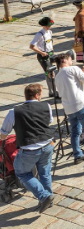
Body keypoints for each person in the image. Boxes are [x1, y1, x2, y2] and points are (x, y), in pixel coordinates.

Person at [0, 83, 54, 213]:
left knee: (22, 173)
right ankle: (48, 198)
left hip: (29, 149)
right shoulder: (46, 106)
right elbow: (49, 121)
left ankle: (44, 196)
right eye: (41, 94)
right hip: (47, 145)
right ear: (36, 95)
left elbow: (3, 133)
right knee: (45, 172)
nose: (41, 96)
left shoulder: (14, 112)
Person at [53, 52, 84, 170]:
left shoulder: (57, 76)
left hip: (69, 108)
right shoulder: (73, 69)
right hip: (81, 105)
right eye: (70, 59)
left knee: (75, 132)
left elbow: (73, 84)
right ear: (64, 61)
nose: (72, 61)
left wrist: (83, 72)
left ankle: (78, 155)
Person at [30, 17, 57, 97]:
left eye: (49, 25)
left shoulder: (50, 32)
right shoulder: (39, 34)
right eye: (47, 26)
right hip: (43, 56)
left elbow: (50, 43)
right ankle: (53, 92)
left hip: (50, 54)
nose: (49, 27)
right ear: (43, 25)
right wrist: (41, 52)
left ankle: (51, 91)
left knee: (52, 72)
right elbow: (32, 46)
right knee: (49, 73)